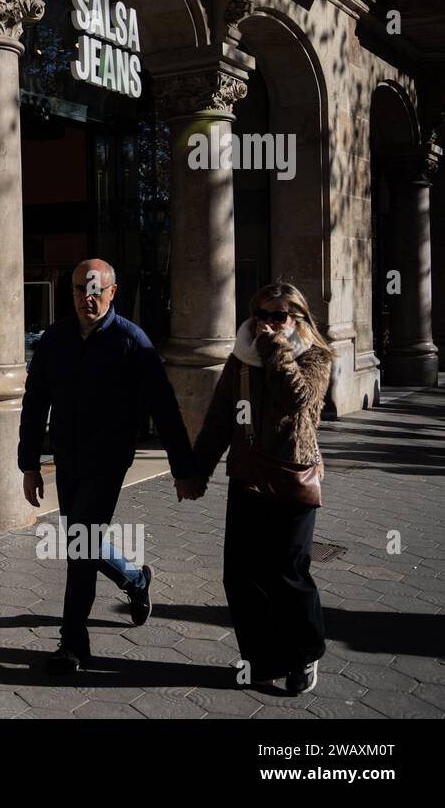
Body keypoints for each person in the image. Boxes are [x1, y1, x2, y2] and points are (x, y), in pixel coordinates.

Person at [18, 259, 202, 675]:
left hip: (108, 462)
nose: (89, 296)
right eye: (81, 287)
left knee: (79, 546)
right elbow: (34, 402)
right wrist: (29, 464)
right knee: (80, 542)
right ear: (71, 293)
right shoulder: (54, 340)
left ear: (113, 292)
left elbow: (165, 409)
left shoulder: (132, 342)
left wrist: (183, 469)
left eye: (98, 288)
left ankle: (73, 645)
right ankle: (135, 579)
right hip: (67, 459)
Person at [183, 282, 332, 695]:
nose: (267, 324)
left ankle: (303, 655)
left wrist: (275, 350)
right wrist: (197, 472)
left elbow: (297, 399)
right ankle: (263, 657)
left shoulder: (317, 356)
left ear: (297, 319)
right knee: (241, 575)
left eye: (279, 316)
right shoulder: (241, 360)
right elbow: (219, 419)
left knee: (287, 573)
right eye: (261, 315)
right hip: (247, 475)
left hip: (294, 477)